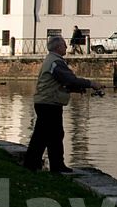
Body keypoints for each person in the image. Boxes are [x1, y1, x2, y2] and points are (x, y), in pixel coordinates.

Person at [23, 35, 103, 172]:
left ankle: (35, 163)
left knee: (44, 135)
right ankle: (53, 165)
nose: (66, 47)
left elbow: (61, 82)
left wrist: (77, 89)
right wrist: (91, 83)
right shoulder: (56, 62)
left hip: (46, 102)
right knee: (52, 135)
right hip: (49, 103)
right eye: (64, 45)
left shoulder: (51, 60)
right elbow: (69, 79)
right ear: (58, 47)